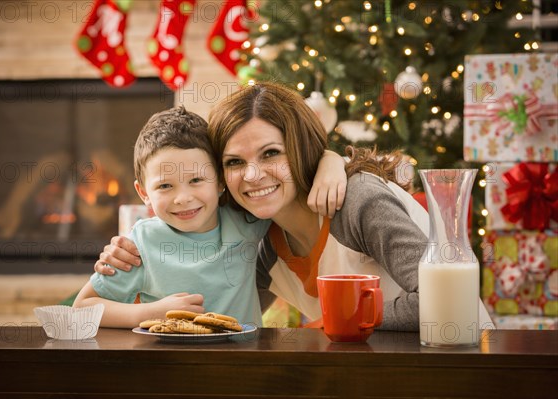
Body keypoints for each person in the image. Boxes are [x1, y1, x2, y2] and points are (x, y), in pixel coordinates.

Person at [96, 82, 493, 331]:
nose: (252, 176)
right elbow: (219, 309)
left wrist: (333, 325)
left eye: (271, 153)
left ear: (302, 148)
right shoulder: (260, 238)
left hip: (454, 368)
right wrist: (130, 254)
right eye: (234, 162)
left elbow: (448, 305)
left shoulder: (358, 201)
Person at [74, 105, 346, 328]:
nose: (183, 198)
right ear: (143, 192)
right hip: (169, 369)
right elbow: (82, 308)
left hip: (243, 365)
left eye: (196, 180)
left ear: (220, 181)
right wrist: (152, 312)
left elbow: (289, 181)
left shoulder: (245, 220)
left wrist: (331, 161)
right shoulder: (139, 245)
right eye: (165, 186)